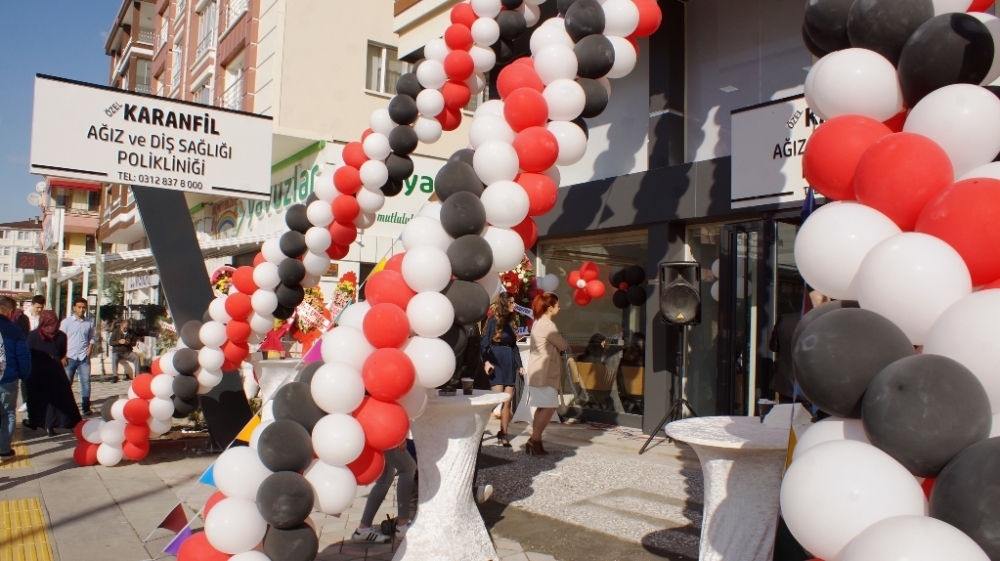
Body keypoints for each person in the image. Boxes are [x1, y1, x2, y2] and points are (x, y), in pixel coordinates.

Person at [23, 310, 81, 436]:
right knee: (57, 396)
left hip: (37, 369)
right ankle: (56, 423)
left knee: (37, 397)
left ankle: (37, 421)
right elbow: (62, 352)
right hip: (55, 368)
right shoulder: (61, 335)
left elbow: (27, 353)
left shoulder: (34, 335)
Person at [525, 293, 569, 456]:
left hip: (538, 371)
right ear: (550, 307)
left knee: (543, 407)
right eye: (557, 305)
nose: (559, 307)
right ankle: (534, 440)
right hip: (545, 372)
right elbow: (563, 345)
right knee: (549, 407)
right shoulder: (547, 325)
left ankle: (535, 441)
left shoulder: (538, 323)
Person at [351, 441, 415, 543]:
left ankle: (363, 529)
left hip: (377, 434)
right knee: (407, 468)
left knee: (385, 479)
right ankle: (403, 525)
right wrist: (400, 438)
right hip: (386, 433)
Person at [481, 292, 523, 447]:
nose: (514, 305)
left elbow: (514, 346)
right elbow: (484, 343)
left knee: (508, 400)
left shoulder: (512, 322)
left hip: (509, 361)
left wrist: (520, 366)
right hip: (496, 359)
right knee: (494, 398)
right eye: (512, 302)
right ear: (505, 303)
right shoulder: (493, 321)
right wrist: (486, 362)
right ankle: (478, 430)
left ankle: (503, 433)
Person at [0, 297, 30, 458]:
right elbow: (23, 356)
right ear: (11, 312)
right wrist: (24, 375)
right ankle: (4, 450)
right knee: (8, 413)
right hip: (8, 378)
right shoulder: (14, 329)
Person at [61, 298, 95, 415]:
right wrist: (63, 355)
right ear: (74, 308)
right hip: (70, 357)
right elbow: (61, 339)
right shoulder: (66, 322)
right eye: (79, 307)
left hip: (83, 357)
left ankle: (86, 407)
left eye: (84, 307)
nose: (81, 310)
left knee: (86, 382)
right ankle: (65, 406)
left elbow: (92, 337)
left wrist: (89, 350)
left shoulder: (89, 322)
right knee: (66, 383)